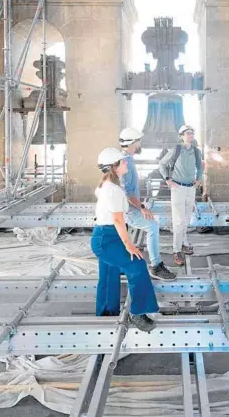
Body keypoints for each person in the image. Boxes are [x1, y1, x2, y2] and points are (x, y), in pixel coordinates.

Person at [91, 147, 159, 332]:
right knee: (136, 265)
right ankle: (138, 312)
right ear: (115, 166)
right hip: (107, 238)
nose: (126, 162)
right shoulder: (112, 189)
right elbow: (118, 219)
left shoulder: (109, 185)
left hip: (106, 235)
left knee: (108, 273)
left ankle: (106, 313)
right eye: (123, 161)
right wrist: (129, 245)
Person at [119, 128, 176, 281]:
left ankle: (123, 264)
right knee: (152, 226)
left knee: (148, 226)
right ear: (132, 143)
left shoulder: (127, 159)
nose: (140, 144)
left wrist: (141, 202)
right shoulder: (125, 162)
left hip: (131, 206)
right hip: (129, 210)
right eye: (138, 141)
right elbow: (127, 192)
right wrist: (141, 207)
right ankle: (156, 266)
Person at [159, 125, 203, 266]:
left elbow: (200, 167)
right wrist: (167, 178)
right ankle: (176, 251)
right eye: (188, 134)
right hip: (178, 188)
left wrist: (199, 178)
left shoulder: (196, 151)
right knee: (178, 221)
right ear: (181, 136)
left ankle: (184, 243)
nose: (190, 136)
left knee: (186, 219)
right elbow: (162, 164)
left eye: (192, 133)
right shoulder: (176, 150)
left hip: (191, 188)